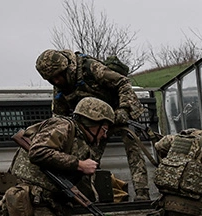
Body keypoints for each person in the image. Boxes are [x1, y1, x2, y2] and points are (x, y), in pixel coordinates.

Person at [35, 49, 152, 201]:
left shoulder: (91, 68)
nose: (56, 81)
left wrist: (124, 109)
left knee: (132, 146)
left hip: (117, 114)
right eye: (51, 79)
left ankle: (142, 193)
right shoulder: (60, 87)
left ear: (66, 67)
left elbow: (123, 82)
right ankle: (90, 195)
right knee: (88, 155)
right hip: (94, 125)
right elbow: (59, 117)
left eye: (58, 76)